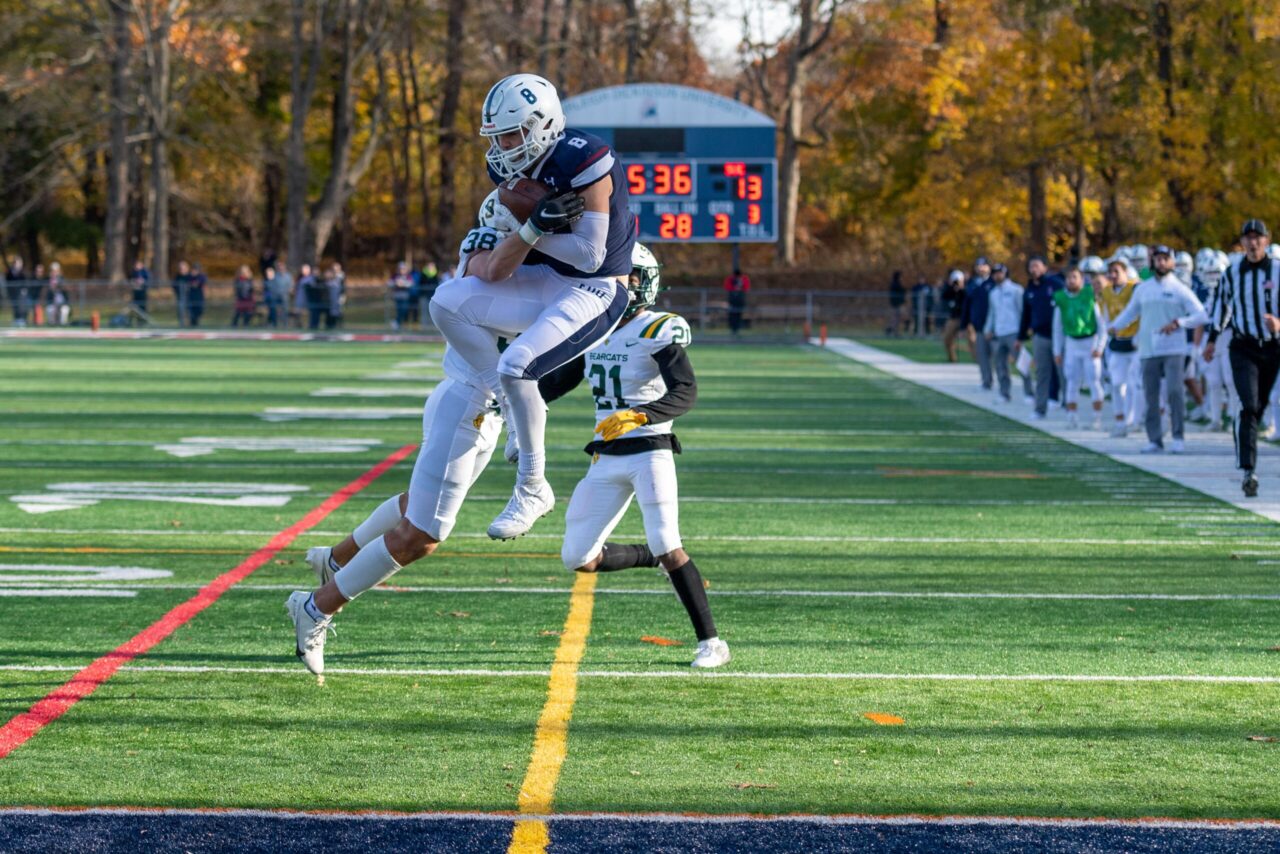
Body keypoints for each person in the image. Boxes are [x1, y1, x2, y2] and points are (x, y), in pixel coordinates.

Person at [286, 193, 597, 675]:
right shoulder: (496, 257)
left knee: (418, 504)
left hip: (477, 405)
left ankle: (335, 557)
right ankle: (314, 607)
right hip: (469, 404)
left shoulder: (530, 263)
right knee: (423, 535)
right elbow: (492, 281)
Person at [429, 72, 635, 542]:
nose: (503, 145)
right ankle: (505, 405)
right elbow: (500, 264)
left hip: (597, 289)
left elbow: (591, 256)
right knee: (446, 302)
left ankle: (532, 486)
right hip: (544, 277)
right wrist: (524, 232)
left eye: (512, 132)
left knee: (517, 364)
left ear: (542, 124)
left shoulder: (585, 159)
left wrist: (537, 229)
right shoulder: (506, 172)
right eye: (497, 135)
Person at [546, 243, 730, 668]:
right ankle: (652, 558)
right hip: (605, 457)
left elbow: (686, 391)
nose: (617, 286)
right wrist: (514, 395)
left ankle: (712, 642)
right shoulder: (596, 329)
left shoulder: (657, 329)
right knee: (578, 557)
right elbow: (560, 380)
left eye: (626, 277)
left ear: (644, 282)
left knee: (669, 540)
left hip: (650, 450)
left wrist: (639, 415)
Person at [1107, 245, 1208, 454]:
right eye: (1158, 259)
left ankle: (1178, 437)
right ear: (1152, 262)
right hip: (1148, 349)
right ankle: (1154, 439)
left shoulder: (1180, 288)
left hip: (1174, 348)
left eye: (1165, 259)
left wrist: (1180, 322)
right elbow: (1130, 312)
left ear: (1172, 262)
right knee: (1150, 394)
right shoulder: (1143, 288)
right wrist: (1115, 326)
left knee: (1174, 391)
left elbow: (1201, 315)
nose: (1161, 263)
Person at [1204, 220, 1280, 496]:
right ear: (1242, 242)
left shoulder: (1278, 270)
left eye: (1257, 237)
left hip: (1273, 347)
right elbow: (1221, 308)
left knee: (1258, 407)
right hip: (1243, 346)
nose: (1253, 242)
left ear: (1267, 240)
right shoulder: (1232, 272)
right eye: (1248, 238)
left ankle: (1250, 446)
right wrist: (1212, 340)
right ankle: (1248, 469)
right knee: (1247, 405)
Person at [1052, 264, 1107, 430]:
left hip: (1089, 341)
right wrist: (1057, 350)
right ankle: (1072, 416)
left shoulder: (1089, 295)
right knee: (1071, 380)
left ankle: (1096, 417)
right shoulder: (1061, 298)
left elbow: (1101, 324)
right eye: (1068, 278)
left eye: (1074, 277)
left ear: (1082, 280)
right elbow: (1057, 328)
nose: (1071, 280)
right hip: (1071, 343)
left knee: (1094, 380)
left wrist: (1100, 346)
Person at [1097, 258, 1140, 437]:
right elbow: (1104, 316)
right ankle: (1120, 421)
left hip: (1135, 342)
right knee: (1116, 384)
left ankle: (1134, 421)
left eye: (1117, 271)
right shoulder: (1106, 291)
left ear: (1125, 272)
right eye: (1110, 272)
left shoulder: (1135, 288)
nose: (1113, 275)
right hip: (1118, 341)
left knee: (1134, 385)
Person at [1020, 256, 1065, 420]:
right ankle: (1040, 408)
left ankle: (1069, 406)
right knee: (1041, 373)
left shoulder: (1056, 285)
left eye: (1037, 266)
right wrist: (1021, 336)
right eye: (1031, 266)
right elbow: (1025, 315)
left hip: (1059, 336)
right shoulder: (1030, 289)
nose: (1034, 270)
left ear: (1045, 268)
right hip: (1040, 336)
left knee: (1063, 372)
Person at [983, 263, 1024, 404]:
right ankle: (1004, 393)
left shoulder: (1016, 290)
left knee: (1022, 363)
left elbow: (1022, 311)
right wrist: (988, 329)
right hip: (999, 333)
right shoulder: (993, 293)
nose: (997, 275)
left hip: (1014, 331)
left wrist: (1023, 331)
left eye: (999, 272)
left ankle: (1030, 393)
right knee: (1000, 365)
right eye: (994, 273)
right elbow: (992, 314)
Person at [962, 258, 994, 389]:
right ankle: (986, 381)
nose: (981, 268)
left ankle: (1005, 384)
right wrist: (964, 324)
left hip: (995, 328)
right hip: (979, 326)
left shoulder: (994, 283)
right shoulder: (972, 284)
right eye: (978, 265)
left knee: (999, 357)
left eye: (983, 265)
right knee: (982, 356)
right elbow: (967, 305)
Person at [939, 269, 966, 362]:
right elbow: (943, 297)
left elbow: (967, 299)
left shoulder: (966, 290)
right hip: (953, 318)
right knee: (947, 338)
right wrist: (951, 287)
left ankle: (978, 359)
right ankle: (952, 359)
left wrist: (961, 289)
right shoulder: (950, 290)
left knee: (972, 340)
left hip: (966, 319)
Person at [723, 266, 750, 337]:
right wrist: (734, 288)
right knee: (732, 314)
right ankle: (733, 329)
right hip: (732, 299)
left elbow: (746, 287)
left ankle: (737, 329)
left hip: (740, 300)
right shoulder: (730, 279)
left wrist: (740, 288)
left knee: (739, 313)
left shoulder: (743, 279)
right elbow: (727, 287)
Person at [389, 261, 414, 330]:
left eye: (403, 269)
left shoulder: (408, 276)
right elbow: (389, 283)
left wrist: (403, 283)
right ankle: (397, 324)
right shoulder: (395, 276)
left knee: (404, 310)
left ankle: (396, 322)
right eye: (401, 269)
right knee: (399, 310)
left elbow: (411, 284)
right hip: (397, 296)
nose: (402, 270)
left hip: (405, 296)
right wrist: (395, 283)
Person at [6, 257, 30, 327]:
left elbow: (25, 281)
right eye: (17, 263)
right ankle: (16, 319)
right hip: (13, 292)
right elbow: (8, 280)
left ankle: (22, 319)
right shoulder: (10, 271)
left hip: (21, 292)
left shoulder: (23, 272)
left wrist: (24, 289)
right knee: (14, 305)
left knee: (21, 306)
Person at [300, 264, 325, 330]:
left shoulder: (320, 280)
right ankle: (311, 325)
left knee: (316, 314)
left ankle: (315, 325)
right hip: (311, 300)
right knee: (311, 313)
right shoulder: (307, 280)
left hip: (318, 300)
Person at [186, 263, 207, 327]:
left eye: (196, 269)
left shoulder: (202, 276)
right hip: (191, 296)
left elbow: (198, 284)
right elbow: (188, 283)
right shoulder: (189, 276)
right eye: (194, 269)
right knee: (191, 311)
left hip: (199, 296)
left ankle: (195, 322)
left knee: (199, 310)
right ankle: (193, 323)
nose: (195, 270)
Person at [326, 263, 346, 329]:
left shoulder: (340, 277)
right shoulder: (329, 280)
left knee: (338, 311)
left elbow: (342, 289)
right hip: (330, 300)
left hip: (337, 298)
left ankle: (339, 325)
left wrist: (342, 297)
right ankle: (330, 325)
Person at [887, 271, 906, 336]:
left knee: (897, 318)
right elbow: (901, 290)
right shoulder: (895, 284)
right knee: (895, 318)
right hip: (896, 304)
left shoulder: (896, 283)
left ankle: (893, 331)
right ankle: (892, 330)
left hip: (897, 304)